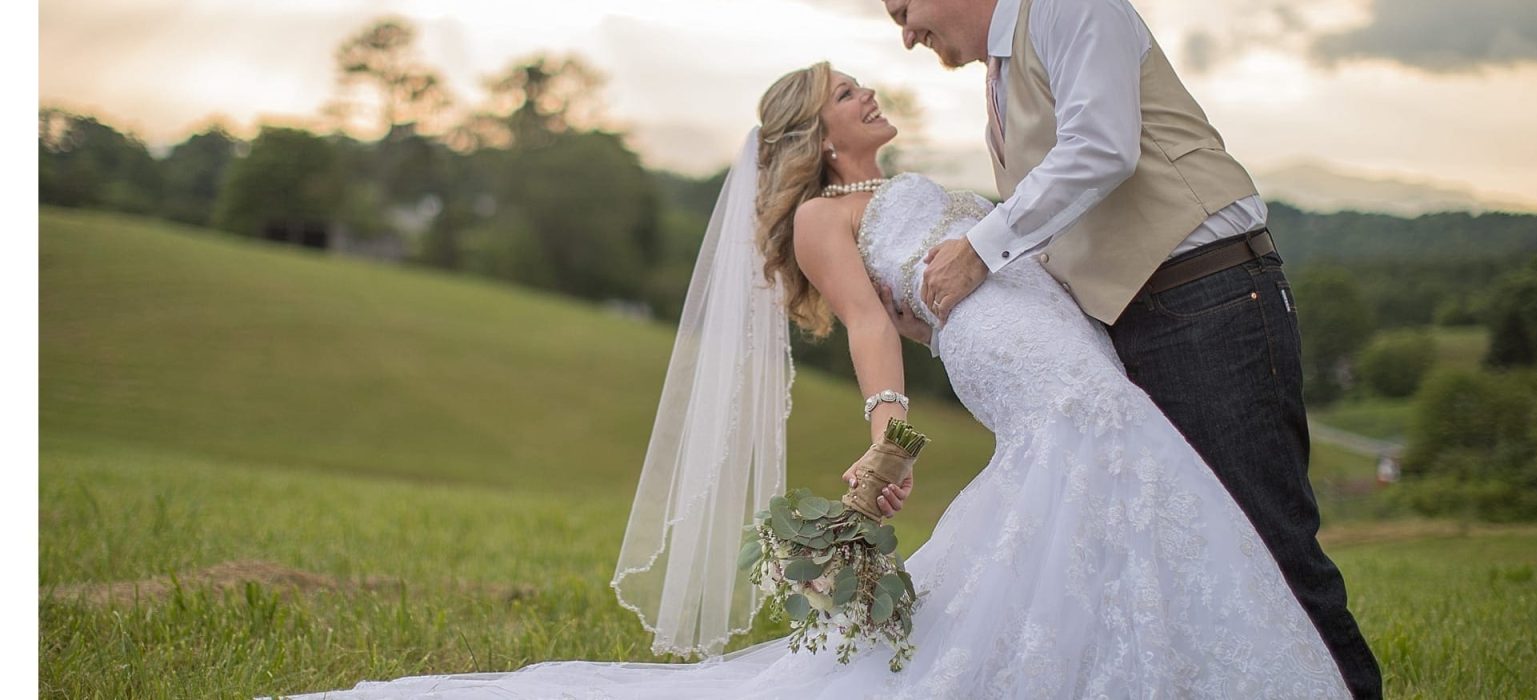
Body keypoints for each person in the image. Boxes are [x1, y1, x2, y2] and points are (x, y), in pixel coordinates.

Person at [285, 63, 1349, 699]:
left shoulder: (893, 184)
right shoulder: (819, 216)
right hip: (1010, 354)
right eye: (847, 91)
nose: (869, 91)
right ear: (816, 132)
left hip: (1052, 329)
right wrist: (887, 427)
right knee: (1089, 440)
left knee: (1099, 469)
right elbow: (863, 324)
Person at [880, 0, 1383, 696]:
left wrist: (981, 251)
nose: (905, 35)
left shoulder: (1066, 6)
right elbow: (1063, 236)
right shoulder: (998, 75)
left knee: (1270, 550)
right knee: (1192, 560)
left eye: (902, 7)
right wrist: (949, 319)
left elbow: (1101, 147)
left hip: (1208, 298)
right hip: (1134, 319)